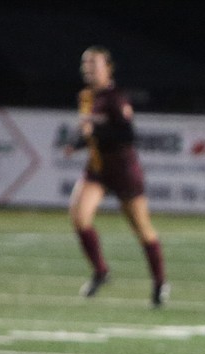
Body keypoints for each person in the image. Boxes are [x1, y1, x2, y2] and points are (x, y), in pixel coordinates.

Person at [66, 46, 169, 307]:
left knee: (142, 229)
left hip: (124, 170)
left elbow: (127, 134)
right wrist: (76, 143)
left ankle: (159, 283)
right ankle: (101, 271)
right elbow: (89, 132)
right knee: (79, 217)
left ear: (108, 68)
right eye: (86, 64)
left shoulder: (116, 97)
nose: (88, 69)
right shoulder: (87, 96)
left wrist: (93, 133)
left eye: (94, 64)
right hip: (98, 169)